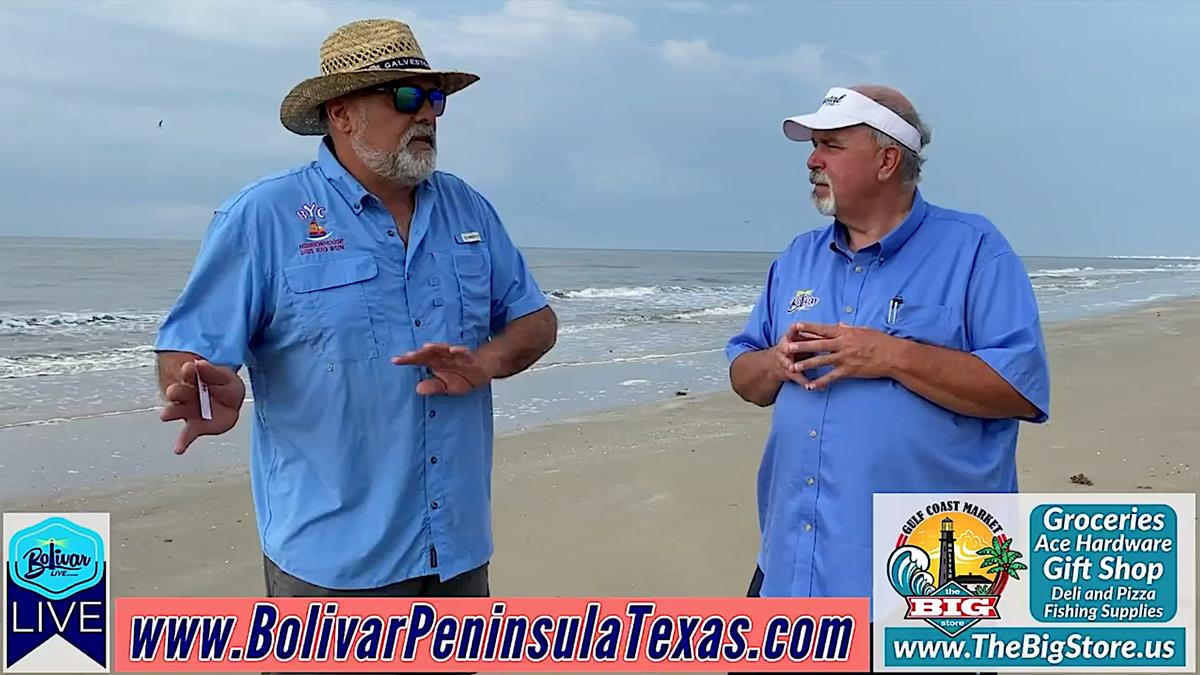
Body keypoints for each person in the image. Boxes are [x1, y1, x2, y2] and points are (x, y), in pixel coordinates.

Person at [153, 18, 557, 601]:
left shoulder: (468, 209)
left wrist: (488, 361)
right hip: (330, 565)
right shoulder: (264, 216)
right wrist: (201, 388)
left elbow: (536, 320)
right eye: (406, 96)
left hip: (457, 551)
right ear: (341, 113)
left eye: (434, 98)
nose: (428, 115)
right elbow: (187, 352)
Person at [726, 85, 1049, 673]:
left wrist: (891, 356)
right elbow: (744, 375)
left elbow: (1020, 390)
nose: (812, 160)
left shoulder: (975, 250)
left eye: (831, 145)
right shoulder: (797, 258)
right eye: (812, 146)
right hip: (792, 568)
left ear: (887, 158)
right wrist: (774, 363)